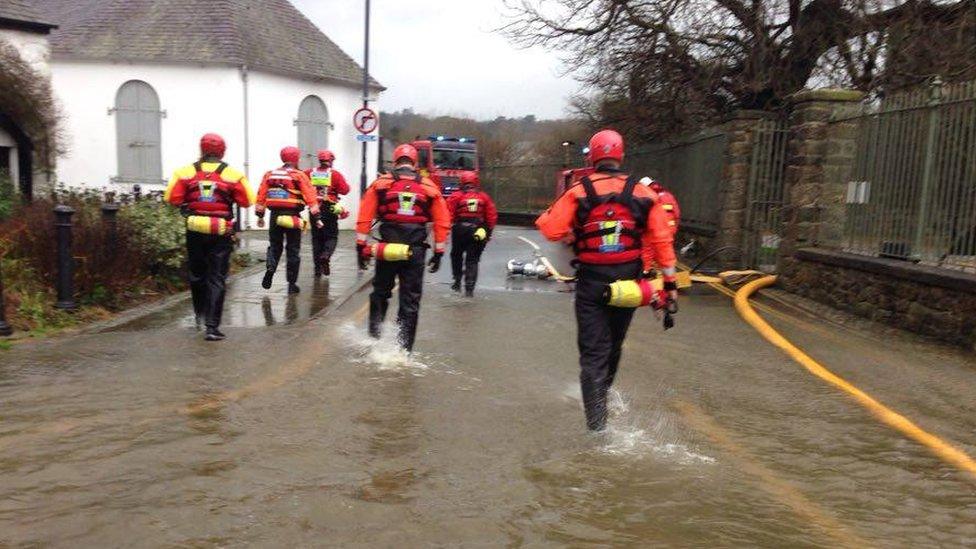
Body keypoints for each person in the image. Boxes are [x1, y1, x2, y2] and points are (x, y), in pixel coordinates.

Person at [536, 129, 678, 431]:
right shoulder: (644, 194)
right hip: (629, 284)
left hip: (592, 284)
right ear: (621, 156)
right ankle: (604, 395)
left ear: (593, 157)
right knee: (614, 346)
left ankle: (597, 427)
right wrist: (670, 287)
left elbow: (549, 230)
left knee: (592, 354)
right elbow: (663, 242)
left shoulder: (577, 191)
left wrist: (566, 225)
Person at [355, 143, 450, 352]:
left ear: (395, 161)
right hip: (415, 251)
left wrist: (360, 246)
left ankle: (374, 339)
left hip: (387, 249)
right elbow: (442, 222)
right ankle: (403, 350)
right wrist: (439, 252)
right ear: (415, 163)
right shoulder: (429, 187)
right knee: (410, 301)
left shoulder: (381, 184)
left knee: (380, 293)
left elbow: (364, 217)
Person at [164, 133, 255, 341]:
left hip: (194, 229)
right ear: (223, 151)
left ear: (201, 149)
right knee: (216, 277)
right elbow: (248, 200)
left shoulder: (185, 172)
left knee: (197, 274)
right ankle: (212, 327)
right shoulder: (233, 174)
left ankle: (199, 314)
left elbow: (172, 197)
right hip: (220, 231)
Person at [255, 146, 322, 294]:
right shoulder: (299, 175)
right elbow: (310, 196)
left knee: (274, 246)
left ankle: (270, 269)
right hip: (293, 216)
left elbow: (261, 195)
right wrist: (317, 217)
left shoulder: (270, 174)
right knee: (293, 249)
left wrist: (260, 216)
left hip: (275, 216)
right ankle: (292, 284)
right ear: (296, 159)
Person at [446, 171, 498, 296]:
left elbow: (448, 213)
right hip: (478, 230)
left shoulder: (456, 196)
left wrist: (447, 230)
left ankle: (457, 281)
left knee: (456, 255)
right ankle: (469, 289)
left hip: (459, 230)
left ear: (462, 182)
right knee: (472, 260)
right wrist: (488, 232)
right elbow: (491, 216)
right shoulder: (484, 197)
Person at [305, 150, 350, 277]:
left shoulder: (309, 173)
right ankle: (326, 255)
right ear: (331, 161)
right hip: (329, 207)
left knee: (316, 239)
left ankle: (317, 270)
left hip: (314, 209)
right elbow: (345, 190)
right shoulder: (334, 174)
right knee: (331, 237)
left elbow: (301, 183)